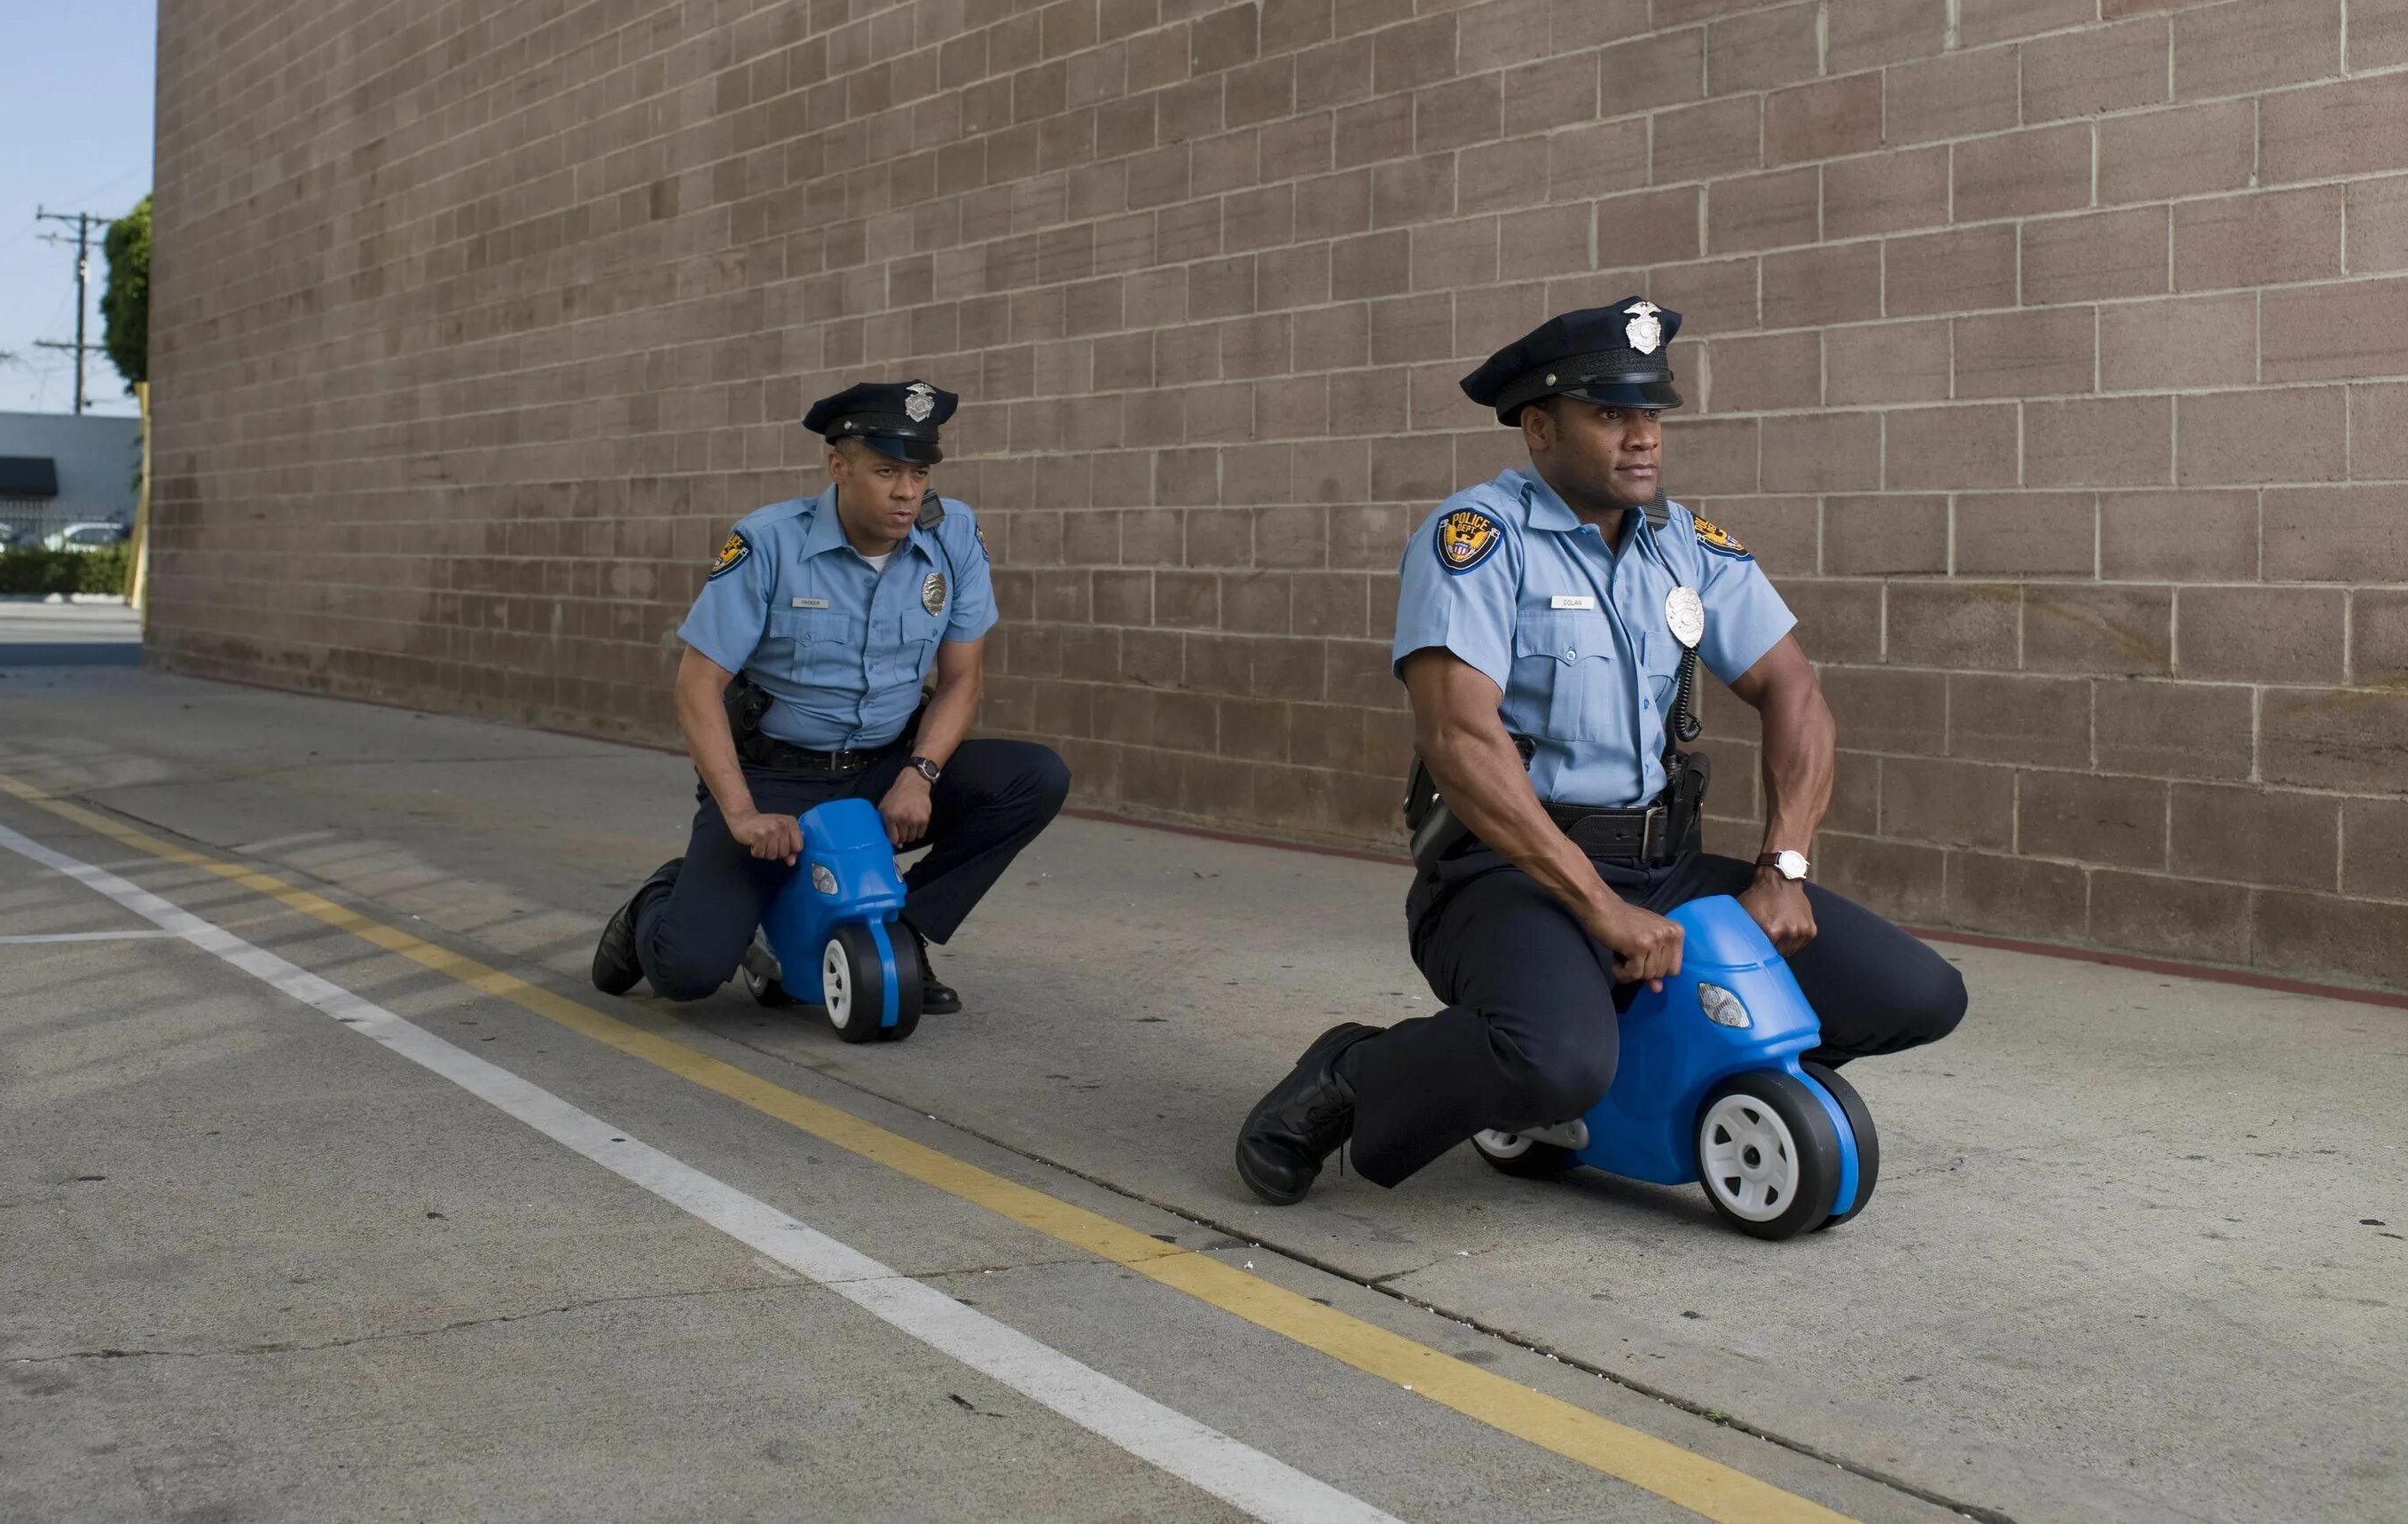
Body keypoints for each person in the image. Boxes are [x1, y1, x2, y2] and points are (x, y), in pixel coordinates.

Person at [1234, 298, 1967, 1204]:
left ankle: (1631, 1081)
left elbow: (1797, 693)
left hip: (1662, 869)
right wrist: (1593, 902)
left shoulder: (1687, 545)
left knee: (1917, 993)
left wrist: (1782, 864)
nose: (1643, 438)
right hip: (1508, 877)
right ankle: (1354, 1072)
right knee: (1555, 1057)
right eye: (1611, 414)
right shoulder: (1478, 541)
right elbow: (1459, 740)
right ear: (1540, 428)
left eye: (1651, 414)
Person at [591, 381, 1070, 1015]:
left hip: (882, 773)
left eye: (919, 471)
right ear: (838, 466)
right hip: (773, 781)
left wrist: (920, 775)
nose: (908, 491)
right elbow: (696, 685)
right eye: (887, 471)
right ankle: (660, 898)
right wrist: (740, 814)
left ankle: (902, 932)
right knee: (689, 971)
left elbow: (962, 679)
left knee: (1034, 776)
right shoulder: (770, 543)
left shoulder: (951, 538)